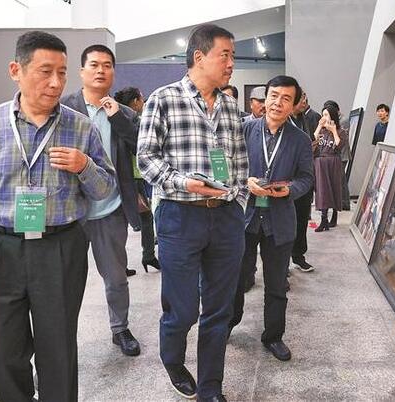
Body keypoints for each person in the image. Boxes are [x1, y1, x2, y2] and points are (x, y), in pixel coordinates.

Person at [0, 31, 116, 401]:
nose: (55, 83)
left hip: (61, 246)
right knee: (0, 353)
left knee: (58, 351)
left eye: (62, 73)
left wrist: (84, 165)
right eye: (44, 71)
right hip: (1, 248)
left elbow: (105, 190)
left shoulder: (80, 127)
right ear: (15, 70)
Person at [137, 24, 248, 402]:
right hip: (180, 216)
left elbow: (239, 161)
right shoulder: (163, 99)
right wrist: (185, 183)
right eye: (225, 55)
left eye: (233, 56)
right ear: (199, 57)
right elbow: (146, 160)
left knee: (219, 309)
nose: (231, 63)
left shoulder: (230, 107)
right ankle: (172, 360)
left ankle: (210, 387)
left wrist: (237, 202)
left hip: (226, 217)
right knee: (182, 310)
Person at [61, 44, 143, 357]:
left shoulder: (125, 113)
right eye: (94, 64)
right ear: (82, 71)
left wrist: (118, 118)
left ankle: (120, 329)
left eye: (107, 65)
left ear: (113, 72)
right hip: (70, 210)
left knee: (116, 277)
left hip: (110, 208)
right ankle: (61, 336)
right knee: (65, 279)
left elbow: (141, 149)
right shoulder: (63, 107)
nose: (100, 70)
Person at [228, 75, 313, 361]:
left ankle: (273, 336)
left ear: (295, 104)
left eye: (286, 98)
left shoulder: (300, 140)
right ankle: (229, 323)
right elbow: (224, 165)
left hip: (279, 221)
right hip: (245, 218)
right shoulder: (243, 129)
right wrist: (244, 182)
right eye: (274, 96)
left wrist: (289, 190)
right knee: (237, 279)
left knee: (276, 285)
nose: (278, 103)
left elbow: (306, 178)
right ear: (265, 98)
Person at [114, 86, 161, 275]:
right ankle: (147, 256)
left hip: (127, 177)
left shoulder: (115, 119)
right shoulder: (134, 121)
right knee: (144, 218)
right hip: (132, 178)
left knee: (125, 220)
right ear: (135, 101)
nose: (143, 103)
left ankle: (125, 262)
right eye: (141, 99)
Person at [289, 90, 317, 272]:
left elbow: (310, 143)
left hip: (304, 178)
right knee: (285, 223)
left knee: (301, 220)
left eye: (306, 98)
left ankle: (299, 256)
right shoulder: (284, 122)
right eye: (301, 99)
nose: (304, 102)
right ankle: (283, 263)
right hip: (287, 180)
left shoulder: (305, 119)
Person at [313, 104, 347, 232]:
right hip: (321, 163)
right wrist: (319, 126)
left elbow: (339, 145)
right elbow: (314, 140)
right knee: (322, 191)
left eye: (326, 114)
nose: (324, 117)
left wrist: (333, 130)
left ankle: (334, 216)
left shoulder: (341, 131)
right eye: (323, 114)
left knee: (334, 189)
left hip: (333, 163)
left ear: (332, 116)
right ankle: (324, 220)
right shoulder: (322, 131)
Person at [323, 100, 351, 220]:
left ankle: (344, 203)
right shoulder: (325, 127)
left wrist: (333, 130)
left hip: (340, 155)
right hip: (329, 157)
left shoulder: (342, 121)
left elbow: (339, 141)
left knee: (340, 181)